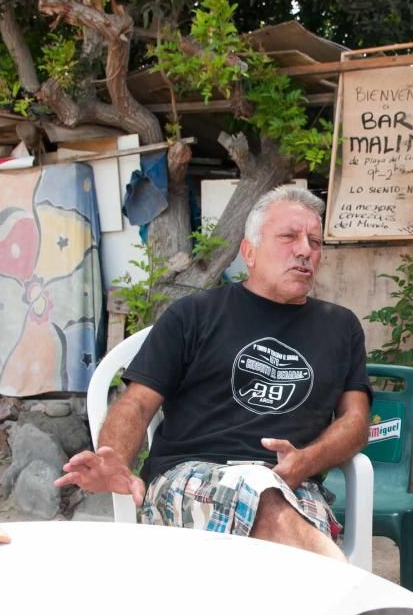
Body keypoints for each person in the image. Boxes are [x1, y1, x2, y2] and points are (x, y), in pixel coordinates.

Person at [56, 185, 371, 560]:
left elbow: (356, 421)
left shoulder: (340, 327)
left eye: (315, 242)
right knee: (270, 509)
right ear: (249, 252)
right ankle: (346, 594)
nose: (305, 250)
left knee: (278, 512)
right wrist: (114, 457)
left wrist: (308, 460)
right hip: (186, 480)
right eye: (289, 237)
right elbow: (137, 404)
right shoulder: (194, 314)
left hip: (292, 484)